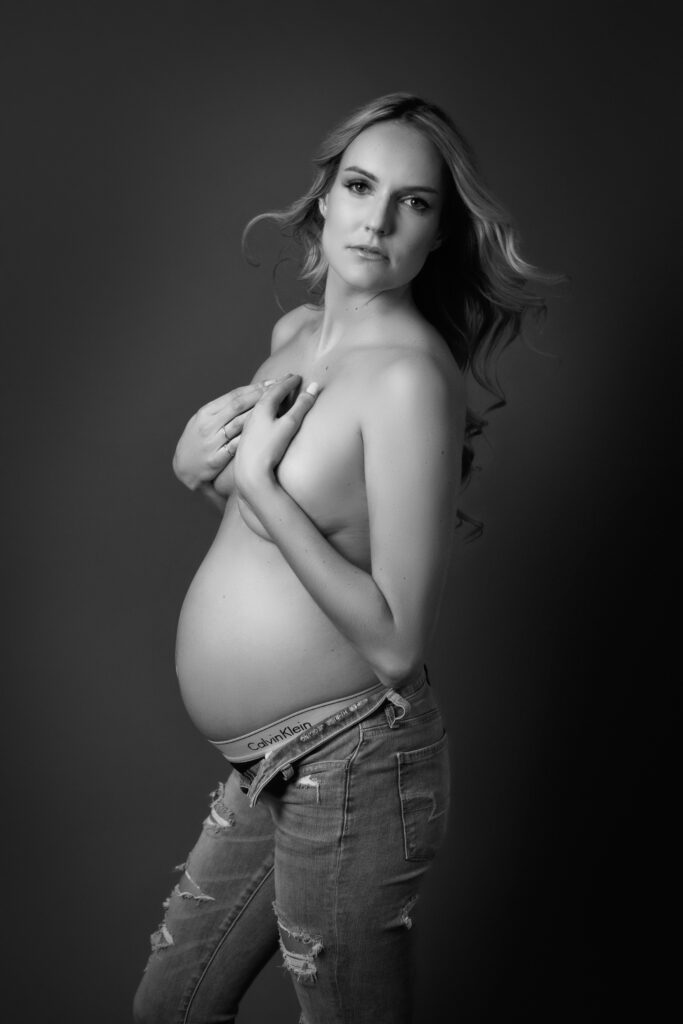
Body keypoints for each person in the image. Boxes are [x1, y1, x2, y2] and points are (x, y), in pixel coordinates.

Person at [133, 92, 552, 1024]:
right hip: (274, 764)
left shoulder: (409, 378)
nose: (377, 218)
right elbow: (278, 538)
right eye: (361, 187)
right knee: (171, 1008)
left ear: (438, 234)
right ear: (324, 198)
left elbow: (396, 643)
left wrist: (256, 482)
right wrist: (196, 474)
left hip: (355, 756)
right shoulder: (292, 337)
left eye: (414, 202)